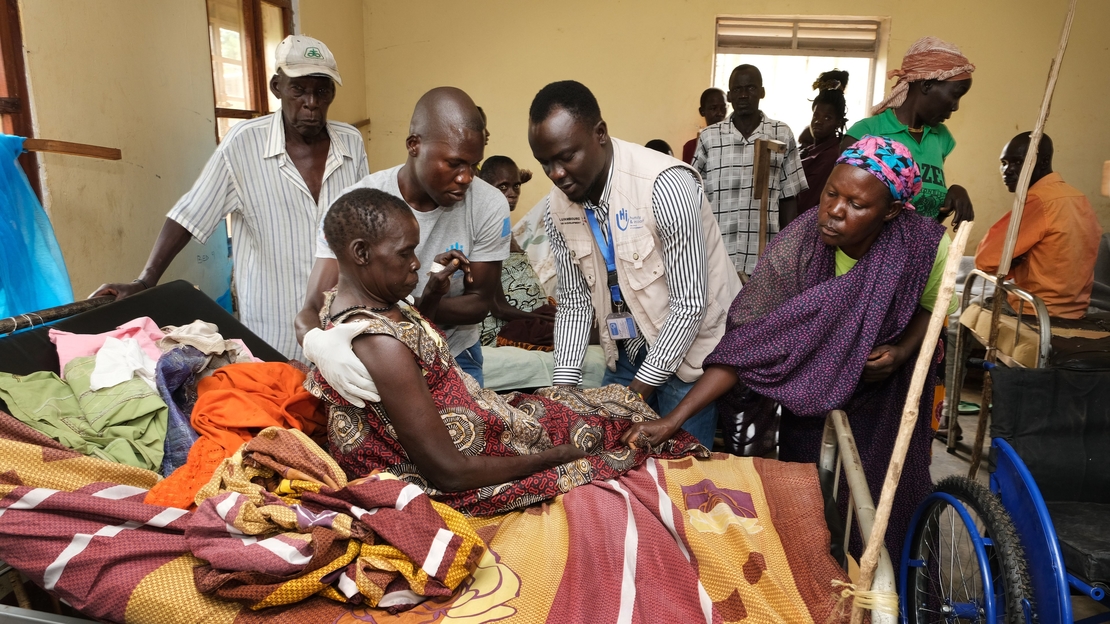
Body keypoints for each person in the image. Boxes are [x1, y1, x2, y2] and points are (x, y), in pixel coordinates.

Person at [626, 136, 958, 557]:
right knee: (809, 500)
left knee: (884, 498)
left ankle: (886, 597)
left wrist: (903, 351)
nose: (835, 211)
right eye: (831, 193)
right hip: (811, 394)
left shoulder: (925, 246)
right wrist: (673, 420)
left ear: (891, 211)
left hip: (891, 389)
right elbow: (746, 347)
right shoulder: (797, 248)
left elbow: (933, 307)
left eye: (857, 205)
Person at [306, 187, 707, 515]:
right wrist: (550, 460)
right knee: (615, 427)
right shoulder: (379, 344)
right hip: (473, 456)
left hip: (486, 420)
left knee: (612, 403)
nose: (416, 263)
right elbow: (448, 472)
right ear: (360, 253)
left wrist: (430, 294)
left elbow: (416, 349)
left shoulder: (350, 305)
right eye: (405, 253)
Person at [91, 36, 367, 361]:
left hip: (340, 320)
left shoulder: (351, 144)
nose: (311, 102)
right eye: (299, 90)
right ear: (277, 87)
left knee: (342, 404)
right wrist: (145, 280)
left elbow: (364, 225)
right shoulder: (244, 144)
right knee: (277, 402)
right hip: (273, 324)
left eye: (321, 91)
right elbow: (191, 213)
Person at [529, 80, 741, 447]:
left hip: (689, 354)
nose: (557, 173)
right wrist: (562, 394)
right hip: (627, 347)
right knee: (614, 461)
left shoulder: (665, 186)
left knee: (680, 470)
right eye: (545, 163)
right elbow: (575, 304)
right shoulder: (556, 206)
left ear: (599, 134)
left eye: (566, 157)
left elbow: (689, 306)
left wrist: (632, 396)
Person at [297, 87, 508, 398]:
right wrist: (318, 344)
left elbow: (479, 303)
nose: (466, 177)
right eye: (454, 163)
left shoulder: (488, 204)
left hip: (455, 354)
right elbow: (313, 307)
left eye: (473, 165)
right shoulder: (356, 207)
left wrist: (412, 308)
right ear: (414, 145)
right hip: (371, 358)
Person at [843, 36, 975, 227]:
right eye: (956, 95)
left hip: (922, 252)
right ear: (927, 85)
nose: (955, 107)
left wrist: (954, 193)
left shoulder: (941, 138)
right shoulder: (866, 133)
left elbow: (924, 215)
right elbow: (850, 209)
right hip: (875, 254)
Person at [692, 64, 808, 277]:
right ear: (729, 95)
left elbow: (788, 197)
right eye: (737, 90)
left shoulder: (781, 133)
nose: (744, 95)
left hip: (764, 255)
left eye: (751, 88)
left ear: (762, 92)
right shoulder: (709, 137)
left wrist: (787, 249)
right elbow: (694, 196)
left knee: (760, 311)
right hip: (717, 254)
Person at [975, 132, 1103, 319]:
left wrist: (1013, 261)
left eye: (1018, 162)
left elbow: (984, 260)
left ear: (1042, 163)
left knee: (964, 313)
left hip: (1034, 309)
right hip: (1075, 310)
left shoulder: (1038, 200)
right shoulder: (1078, 198)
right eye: (1004, 163)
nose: (1008, 170)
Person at [475, 155, 554, 346]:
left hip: (527, 313)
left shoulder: (500, 224)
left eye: (516, 186)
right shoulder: (483, 230)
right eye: (503, 187)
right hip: (500, 327)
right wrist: (550, 320)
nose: (512, 193)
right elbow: (498, 309)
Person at [796, 70, 850, 213]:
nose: (818, 122)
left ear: (838, 123)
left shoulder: (830, 156)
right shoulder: (810, 149)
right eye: (816, 116)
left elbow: (807, 204)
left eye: (827, 118)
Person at [681, 88, 727, 164]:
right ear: (702, 111)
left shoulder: (734, 142)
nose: (719, 113)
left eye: (723, 108)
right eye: (713, 108)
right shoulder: (691, 147)